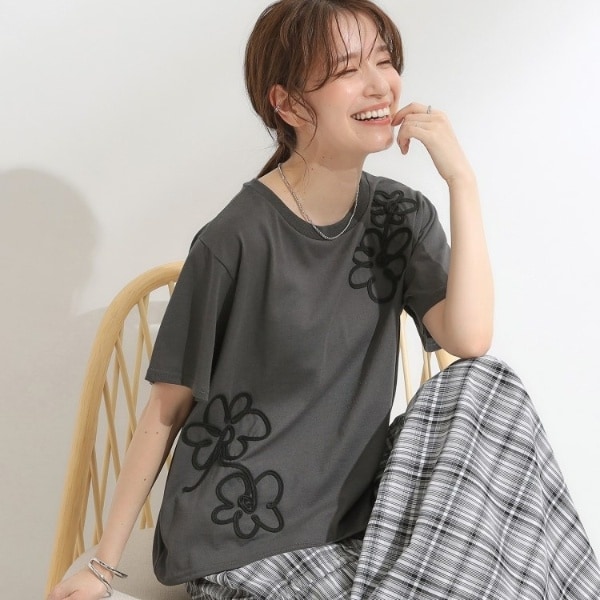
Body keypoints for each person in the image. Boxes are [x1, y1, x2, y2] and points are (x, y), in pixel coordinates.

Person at [48, 0, 600, 598]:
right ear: (287, 105)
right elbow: (166, 410)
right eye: (347, 69)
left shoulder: (398, 216)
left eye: (384, 61)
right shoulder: (235, 238)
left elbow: (470, 340)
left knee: (487, 387)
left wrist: (461, 181)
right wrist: (101, 567)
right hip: (246, 543)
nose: (380, 84)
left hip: (359, 522)